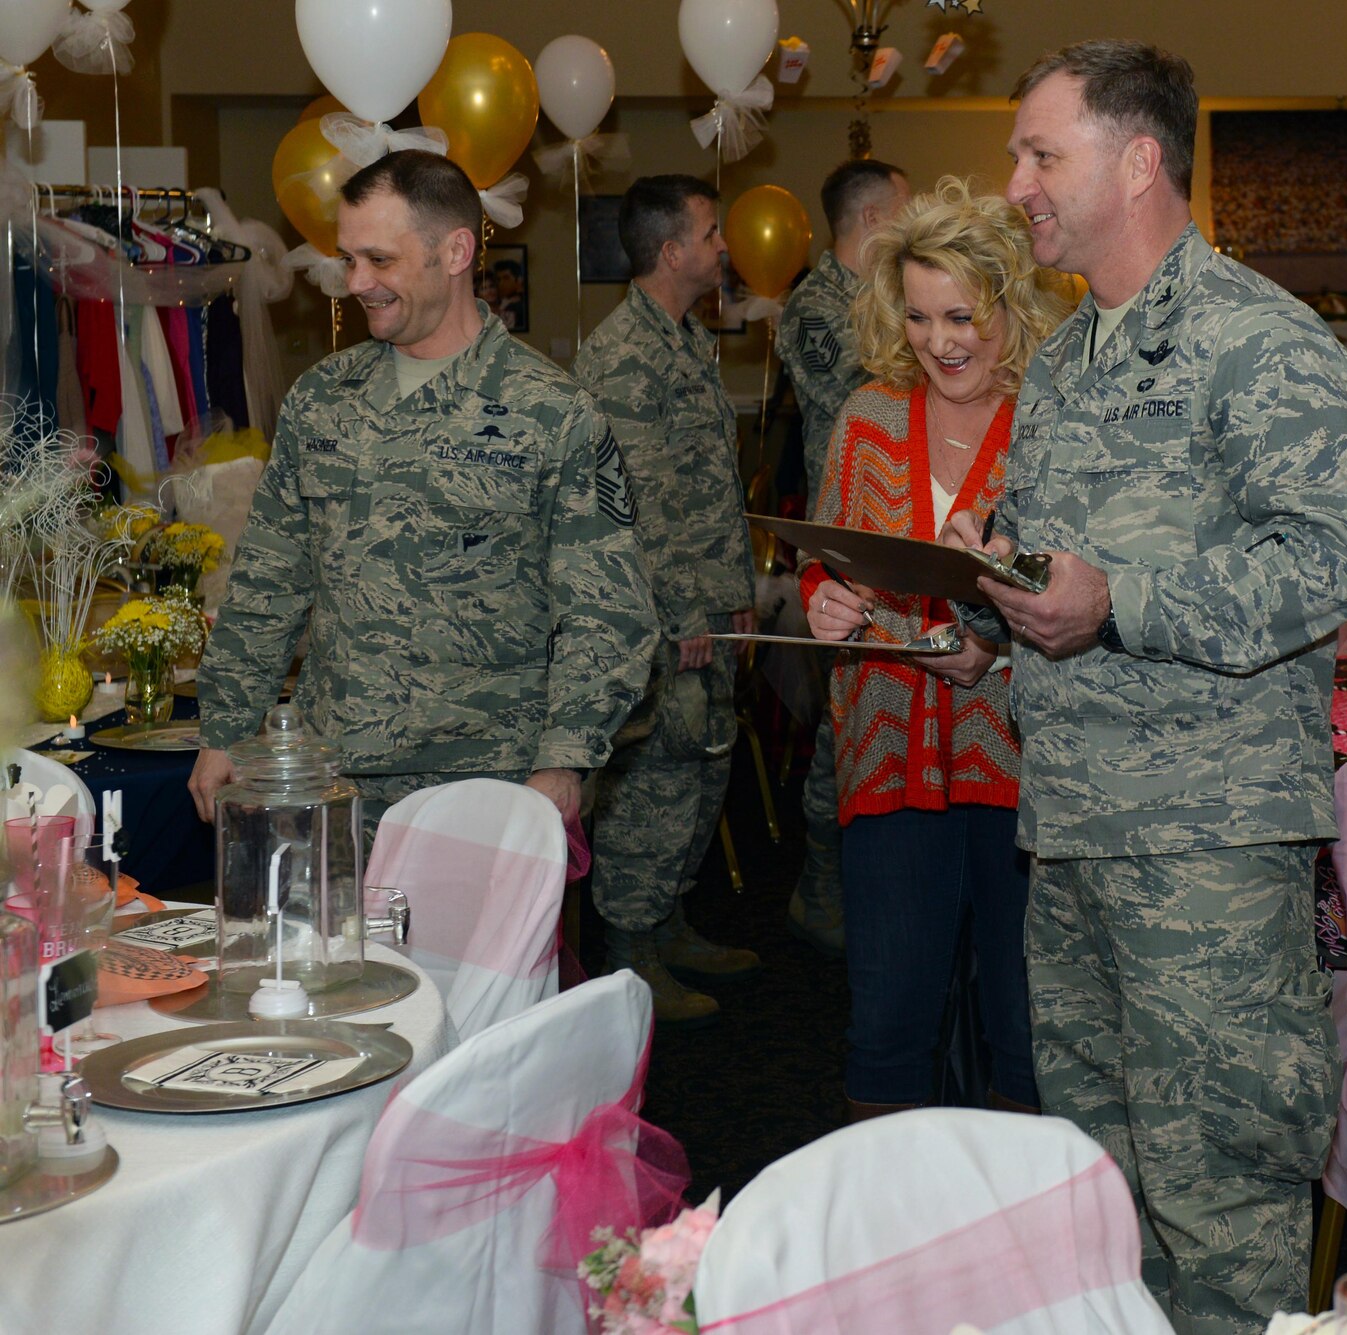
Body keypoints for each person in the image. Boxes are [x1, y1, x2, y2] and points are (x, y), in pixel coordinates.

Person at [940, 42, 1347, 1333]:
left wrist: (1114, 600)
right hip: (1073, 826)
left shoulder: (1258, 337)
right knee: (1096, 1195)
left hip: (1206, 841)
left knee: (1222, 1200)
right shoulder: (1072, 355)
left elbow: (1328, 558)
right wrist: (967, 612)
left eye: (1040, 153)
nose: (1014, 181)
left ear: (1136, 161)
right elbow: (1045, 568)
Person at [191, 150, 657, 833]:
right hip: (332, 781)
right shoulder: (322, 399)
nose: (356, 282)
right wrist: (224, 726)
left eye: (379, 260)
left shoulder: (551, 412)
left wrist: (563, 759)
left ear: (456, 250)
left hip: (486, 785)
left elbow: (607, 610)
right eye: (349, 259)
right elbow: (269, 579)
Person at [803, 178, 1074, 1123]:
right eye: (918, 318)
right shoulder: (869, 421)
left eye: (963, 316)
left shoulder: (1055, 424)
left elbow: (1085, 593)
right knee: (887, 1024)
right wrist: (825, 602)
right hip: (888, 763)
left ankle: (1024, 1248)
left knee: (1028, 1025)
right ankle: (887, 1248)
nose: (940, 341)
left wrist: (994, 658)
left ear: (1010, 304)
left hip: (1025, 770)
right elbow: (830, 561)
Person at [574, 175, 760, 1027]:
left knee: (703, 767)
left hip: (710, 608)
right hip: (663, 619)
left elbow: (709, 490)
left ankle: (672, 921)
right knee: (655, 782)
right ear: (671, 250)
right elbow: (636, 507)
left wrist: (738, 598)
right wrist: (687, 615)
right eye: (713, 233)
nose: (725, 247)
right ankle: (630, 954)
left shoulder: (684, 341)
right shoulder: (624, 356)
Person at [775, 157, 911, 959]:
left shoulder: (878, 300)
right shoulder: (819, 309)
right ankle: (819, 888)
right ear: (870, 220)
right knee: (843, 725)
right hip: (846, 536)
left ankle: (863, 886)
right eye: (905, 208)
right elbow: (880, 388)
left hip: (894, 532)